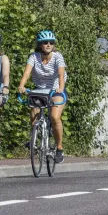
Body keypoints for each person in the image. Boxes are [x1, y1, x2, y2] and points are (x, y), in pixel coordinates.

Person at [17, 30, 67, 164]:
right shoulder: (34, 57)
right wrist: (22, 85)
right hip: (40, 90)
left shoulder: (58, 57)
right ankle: (33, 138)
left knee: (55, 117)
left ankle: (59, 148)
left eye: (51, 42)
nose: (49, 45)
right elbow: (27, 73)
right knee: (34, 114)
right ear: (40, 45)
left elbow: (61, 74)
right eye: (45, 43)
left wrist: (61, 88)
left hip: (55, 90)